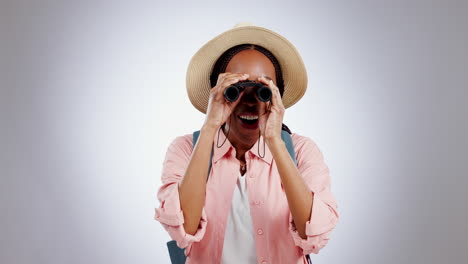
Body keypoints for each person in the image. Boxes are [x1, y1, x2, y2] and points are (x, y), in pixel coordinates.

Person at [154, 22, 339, 264]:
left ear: (276, 95)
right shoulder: (185, 150)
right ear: (217, 92)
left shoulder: (302, 151)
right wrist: (210, 126)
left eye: (263, 90)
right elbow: (184, 230)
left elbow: (314, 234)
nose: (249, 102)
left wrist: (274, 141)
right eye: (236, 89)